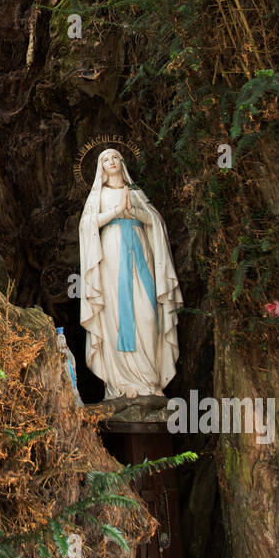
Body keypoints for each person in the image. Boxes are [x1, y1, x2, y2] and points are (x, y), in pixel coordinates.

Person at [78, 148, 182, 400]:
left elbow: (155, 221)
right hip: (111, 260)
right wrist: (115, 212)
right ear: (100, 168)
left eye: (114, 157)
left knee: (147, 315)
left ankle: (150, 379)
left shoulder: (135, 191)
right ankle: (122, 383)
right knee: (115, 315)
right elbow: (86, 225)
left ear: (122, 162)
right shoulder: (98, 194)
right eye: (105, 159)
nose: (111, 162)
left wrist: (134, 212)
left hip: (140, 256)